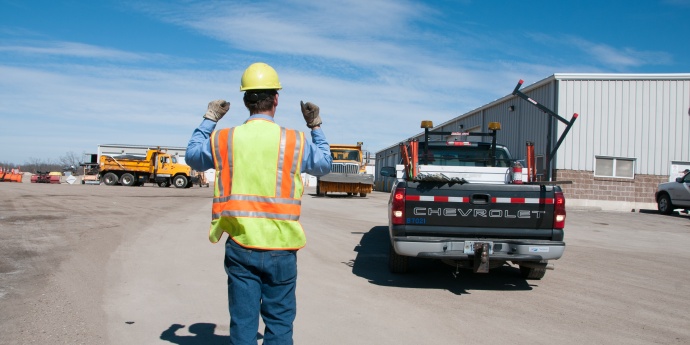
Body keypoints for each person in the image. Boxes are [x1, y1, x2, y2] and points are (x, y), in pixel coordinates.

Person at [185, 62, 332, 345]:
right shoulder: (295, 140)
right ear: (276, 99)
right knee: (279, 323)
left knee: (243, 324)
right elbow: (324, 164)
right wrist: (315, 125)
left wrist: (209, 119)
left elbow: (192, 156)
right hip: (282, 247)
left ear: (244, 101)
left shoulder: (224, 138)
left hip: (241, 246)